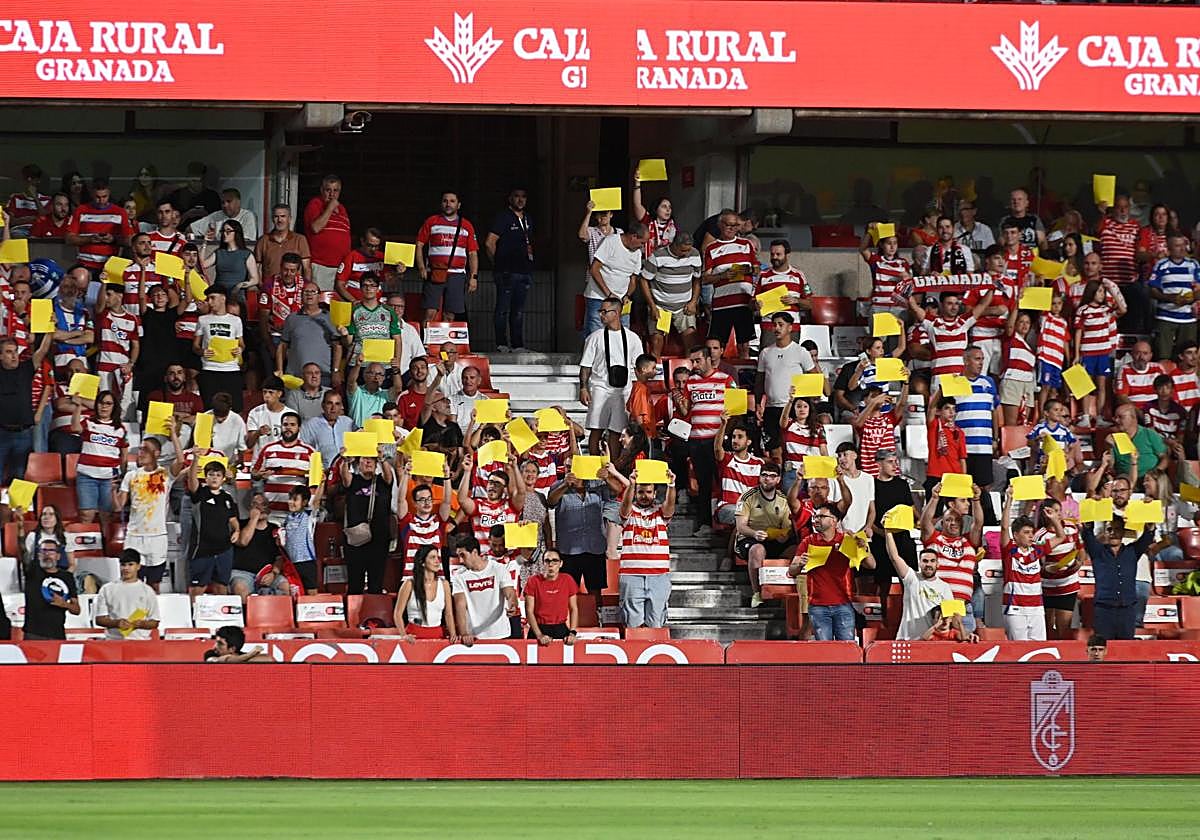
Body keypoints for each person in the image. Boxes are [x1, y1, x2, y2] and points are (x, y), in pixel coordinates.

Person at [793, 503, 873, 641]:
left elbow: (871, 565)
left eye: (821, 516)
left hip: (843, 605)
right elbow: (792, 570)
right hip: (817, 607)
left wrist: (863, 547)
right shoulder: (808, 541)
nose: (816, 520)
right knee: (826, 652)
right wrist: (799, 564)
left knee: (847, 649)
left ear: (834, 520)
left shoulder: (846, 540)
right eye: (815, 516)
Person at [681, 344, 736, 538]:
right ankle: (704, 523)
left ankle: (725, 524)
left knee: (723, 482)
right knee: (703, 484)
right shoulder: (690, 382)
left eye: (698, 360)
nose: (694, 364)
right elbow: (687, 411)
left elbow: (737, 408)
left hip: (717, 440)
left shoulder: (726, 380)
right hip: (696, 440)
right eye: (692, 361)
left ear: (708, 359)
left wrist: (726, 433)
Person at [579, 296, 644, 457]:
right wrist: (583, 388)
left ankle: (613, 468)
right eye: (600, 311)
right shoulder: (594, 337)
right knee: (596, 429)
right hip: (600, 387)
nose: (601, 314)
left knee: (616, 430)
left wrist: (637, 390)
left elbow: (639, 366)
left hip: (623, 390)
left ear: (616, 313)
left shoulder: (632, 338)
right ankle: (593, 470)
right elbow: (586, 365)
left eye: (604, 311)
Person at [617, 463, 676, 629]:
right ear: (635, 493)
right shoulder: (629, 512)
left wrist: (671, 485)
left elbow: (670, 506)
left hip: (659, 576)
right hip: (631, 576)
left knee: (656, 625)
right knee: (633, 625)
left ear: (655, 493)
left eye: (648, 492)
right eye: (640, 492)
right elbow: (625, 508)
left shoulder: (660, 512)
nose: (644, 496)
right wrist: (631, 485)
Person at [756, 312, 821, 457]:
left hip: (792, 408)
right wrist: (757, 403)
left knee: (793, 449)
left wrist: (805, 399)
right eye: (774, 325)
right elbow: (760, 380)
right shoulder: (765, 353)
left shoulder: (801, 351)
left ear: (790, 328)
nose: (777, 328)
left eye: (781, 325)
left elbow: (815, 377)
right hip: (771, 408)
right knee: (774, 451)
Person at [114, 437, 175, 592]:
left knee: (154, 584)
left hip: (157, 537)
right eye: (139, 449)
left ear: (157, 453)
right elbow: (118, 506)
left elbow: (180, 461)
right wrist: (111, 490)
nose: (140, 453)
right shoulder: (131, 476)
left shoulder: (165, 474)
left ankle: (152, 615)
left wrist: (173, 435)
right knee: (131, 583)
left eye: (145, 449)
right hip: (134, 536)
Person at [1081, 516, 1155, 641]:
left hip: (1127, 609)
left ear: (1123, 532)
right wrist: (1088, 525)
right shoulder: (1097, 551)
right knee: (1105, 648)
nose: (1113, 533)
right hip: (1104, 609)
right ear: (1105, 531)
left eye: (1117, 529)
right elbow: (1088, 535)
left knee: (1125, 648)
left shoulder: (1132, 551)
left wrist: (1150, 527)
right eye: (1109, 529)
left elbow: (1146, 538)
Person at [416, 190, 479, 328]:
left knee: (450, 314)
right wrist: (421, 267)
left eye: (452, 201)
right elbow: (419, 245)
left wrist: (473, 277)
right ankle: (425, 345)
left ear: (459, 205)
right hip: (434, 272)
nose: (448, 204)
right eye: (445, 201)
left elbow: (473, 253)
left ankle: (445, 345)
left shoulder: (467, 225)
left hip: (457, 275)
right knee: (430, 313)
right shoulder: (432, 221)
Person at [700, 209, 759, 357]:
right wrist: (723, 276)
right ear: (720, 225)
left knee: (744, 345)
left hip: (743, 302)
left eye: (736, 225)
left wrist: (748, 269)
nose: (733, 228)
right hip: (721, 304)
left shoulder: (747, 244)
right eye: (729, 225)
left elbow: (757, 269)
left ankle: (744, 376)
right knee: (717, 345)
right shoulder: (711, 248)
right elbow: (705, 278)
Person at [735, 462, 794, 608]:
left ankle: (786, 593)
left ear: (778, 479)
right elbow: (740, 526)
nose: (767, 479)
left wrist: (785, 535)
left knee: (796, 550)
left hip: (773, 538)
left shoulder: (783, 499)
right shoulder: (748, 496)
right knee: (758, 550)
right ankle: (757, 593)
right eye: (764, 475)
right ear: (760, 477)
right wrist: (754, 533)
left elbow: (787, 526)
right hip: (750, 538)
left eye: (772, 476)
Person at [882, 532, 958, 642]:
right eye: (925, 561)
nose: (928, 564)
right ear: (920, 563)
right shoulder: (911, 578)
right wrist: (888, 532)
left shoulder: (945, 587)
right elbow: (894, 557)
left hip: (930, 641)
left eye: (932, 561)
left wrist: (966, 635)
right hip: (906, 639)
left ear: (937, 564)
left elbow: (951, 618)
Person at [339, 445, 395, 594]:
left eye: (371, 459)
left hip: (379, 540)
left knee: (376, 583)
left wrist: (382, 458)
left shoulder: (382, 482)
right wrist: (345, 460)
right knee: (355, 584)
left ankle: (373, 615)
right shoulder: (354, 480)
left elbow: (389, 477)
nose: (368, 462)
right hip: (356, 540)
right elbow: (345, 477)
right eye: (364, 459)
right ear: (358, 463)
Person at [486, 187, 535, 353]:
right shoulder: (503, 217)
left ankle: (517, 345)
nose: (520, 200)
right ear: (510, 198)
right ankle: (501, 344)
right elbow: (489, 242)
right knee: (503, 309)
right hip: (506, 271)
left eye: (523, 197)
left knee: (518, 310)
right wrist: (498, 263)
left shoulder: (528, 218)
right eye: (516, 196)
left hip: (524, 271)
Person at [547, 463, 608, 596]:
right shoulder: (558, 485)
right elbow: (551, 501)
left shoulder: (597, 485)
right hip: (568, 551)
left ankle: (596, 616)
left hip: (595, 548)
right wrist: (565, 485)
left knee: (595, 592)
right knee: (567, 593)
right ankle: (569, 617)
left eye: (574, 467)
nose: (571, 470)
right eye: (568, 467)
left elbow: (618, 491)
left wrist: (607, 477)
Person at [184, 458, 239, 599]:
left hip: (224, 549)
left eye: (218, 475)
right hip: (202, 549)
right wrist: (196, 459)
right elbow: (191, 479)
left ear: (223, 478)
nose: (214, 478)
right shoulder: (199, 493)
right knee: (198, 588)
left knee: (221, 586)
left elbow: (232, 519)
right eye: (211, 475)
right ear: (206, 477)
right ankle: (193, 617)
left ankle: (220, 619)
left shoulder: (227, 497)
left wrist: (237, 530)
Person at [70, 389, 127, 525]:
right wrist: (78, 407)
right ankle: (87, 545)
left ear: (114, 407)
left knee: (106, 516)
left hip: (109, 478)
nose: (104, 406)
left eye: (108, 403)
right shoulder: (89, 423)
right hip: (87, 476)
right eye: (101, 403)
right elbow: (75, 428)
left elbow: (124, 455)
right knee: (86, 514)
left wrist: (121, 476)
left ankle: (104, 545)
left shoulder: (120, 429)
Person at [640, 232, 701, 356]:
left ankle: (690, 372)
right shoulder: (657, 256)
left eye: (689, 250)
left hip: (684, 306)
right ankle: (655, 373)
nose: (686, 253)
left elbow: (697, 280)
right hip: (661, 306)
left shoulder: (694, 254)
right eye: (683, 250)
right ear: (675, 245)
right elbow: (643, 280)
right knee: (656, 341)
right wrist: (652, 306)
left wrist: (693, 301)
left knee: (691, 340)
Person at [999, 486, 1047, 641]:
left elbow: (1060, 537)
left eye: (1032, 533)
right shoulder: (1009, 550)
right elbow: (1004, 527)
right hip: (1015, 609)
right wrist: (1009, 500)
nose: (1031, 536)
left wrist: (1052, 519)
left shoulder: (1037, 551)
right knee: (1018, 651)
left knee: (1039, 651)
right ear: (1015, 536)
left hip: (1037, 609)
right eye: (1026, 533)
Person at [0, 335, 50, 482]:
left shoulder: (26, 369)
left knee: (19, 479)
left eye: (15, 351)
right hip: (1, 434)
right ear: (0, 356)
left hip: (24, 435)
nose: (14, 356)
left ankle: (16, 506)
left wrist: (50, 328)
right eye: (9, 352)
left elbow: (43, 350)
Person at [451, 534, 517, 645]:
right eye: (458, 556)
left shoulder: (498, 568)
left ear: (475, 552)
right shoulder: (459, 576)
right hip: (474, 637)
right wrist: (464, 633)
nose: (461, 560)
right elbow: (460, 606)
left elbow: (509, 593)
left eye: (463, 555)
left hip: (500, 633)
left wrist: (513, 605)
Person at [253, 411, 316, 525]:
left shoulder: (310, 452)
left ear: (299, 428)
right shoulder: (268, 449)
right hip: (270, 512)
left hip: (297, 515)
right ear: (281, 426)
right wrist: (259, 475)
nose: (288, 428)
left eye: (293, 425)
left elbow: (316, 482)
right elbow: (254, 474)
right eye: (285, 424)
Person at [278, 283, 346, 385]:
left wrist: (336, 371)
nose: (309, 294)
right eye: (306, 292)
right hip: (295, 376)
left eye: (313, 292)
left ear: (319, 296)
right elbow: (283, 346)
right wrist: (280, 370)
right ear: (301, 296)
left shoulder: (331, 318)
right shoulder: (292, 318)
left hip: (323, 376)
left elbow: (337, 346)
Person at [396, 460, 453, 578]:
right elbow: (401, 500)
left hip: (436, 578)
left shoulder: (438, 521)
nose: (427, 503)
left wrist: (446, 477)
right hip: (412, 579)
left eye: (429, 499)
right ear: (415, 504)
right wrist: (406, 474)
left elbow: (447, 501)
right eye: (422, 500)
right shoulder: (408, 522)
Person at [1147, 233, 1200, 361]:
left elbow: (1199, 289)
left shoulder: (1194, 265)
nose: (1182, 249)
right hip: (1166, 316)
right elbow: (1152, 291)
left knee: (1188, 358)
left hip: (1188, 318)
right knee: (1163, 356)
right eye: (1177, 246)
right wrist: (1169, 298)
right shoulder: (1161, 265)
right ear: (1169, 248)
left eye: (1183, 245)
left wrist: (1192, 297)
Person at [66, 177, 134, 274]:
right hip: (85, 265)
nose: (101, 200)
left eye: (104, 197)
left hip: (111, 265)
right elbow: (69, 239)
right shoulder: (80, 210)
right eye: (97, 197)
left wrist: (113, 239)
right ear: (92, 194)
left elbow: (130, 240)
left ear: (109, 193)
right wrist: (90, 239)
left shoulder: (120, 212)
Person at [194, 287, 245, 412]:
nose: (210, 302)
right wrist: (202, 352)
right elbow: (195, 346)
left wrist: (240, 350)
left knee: (234, 408)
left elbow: (242, 344)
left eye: (213, 298)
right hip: (210, 369)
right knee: (209, 409)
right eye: (208, 299)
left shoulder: (236, 320)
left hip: (231, 369)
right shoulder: (203, 320)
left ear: (223, 298)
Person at [230, 493, 288, 599]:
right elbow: (243, 542)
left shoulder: (274, 529)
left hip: (267, 573)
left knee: (284, 586)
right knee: (240, 588)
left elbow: (279, 557)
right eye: (256, 504)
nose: (260, 508)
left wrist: (273, 574)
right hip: (242, 573)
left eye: (263, 504)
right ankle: (246, 615)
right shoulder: (240, 525)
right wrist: (253, 519)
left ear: (269, 509)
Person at [94, 549, 161, 641]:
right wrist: (117, 623)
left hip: (140, 642)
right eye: (123, 565)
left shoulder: (147, 591)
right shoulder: (107, 589)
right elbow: (99, 619)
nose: (126, 568)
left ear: (138, 566)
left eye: (130, 564)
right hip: (114, 641)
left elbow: (155, 622)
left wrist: (140, 624)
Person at [395, 545, 457, 640]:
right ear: (422, 562)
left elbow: (448, 614)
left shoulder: (444, 584)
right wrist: (404, 635)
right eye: (433, 557)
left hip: (437, 636)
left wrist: (453, 634)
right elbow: (397, 614)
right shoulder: (409, 584)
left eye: (438, 557)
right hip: (413, 637)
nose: (437, 561)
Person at [22, 539, 80, 640]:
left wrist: (64, 604)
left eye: (51, 551)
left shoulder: (67, 577)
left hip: (58, 634)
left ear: (58, 556)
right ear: (39, 555)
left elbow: (76, 610)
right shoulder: (32, 572)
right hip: (33, 634)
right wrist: (21, 531)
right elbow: (23, 551)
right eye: (43, 551)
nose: (47, 554)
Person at [304, 175, 351, 291]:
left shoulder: (342, 209)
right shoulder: (315, 204)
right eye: (328, 190)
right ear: (322, 190)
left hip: (340, 267)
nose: (332, 194)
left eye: (335, 190)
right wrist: (330, 208)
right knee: (321, 303)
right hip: (321, 266)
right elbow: (315, 227)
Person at [525, 549, 579, 644]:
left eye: (555, 561)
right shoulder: (533, 581)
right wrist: (539, 635)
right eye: (547, 561)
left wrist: (572, 632)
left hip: (561, 629)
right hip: (538, 628)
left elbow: (573, 608)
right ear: (542, 563)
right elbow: (529, 611)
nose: (551, 564)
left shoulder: (568, 579)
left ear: (561, 563)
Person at [279, 484, 323, 595]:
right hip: (291, 563)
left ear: (304, 502)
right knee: (294, 594)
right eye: (290, 499)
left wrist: (322, 483)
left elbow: (316, 501)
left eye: (295, 499)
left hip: (306, 561)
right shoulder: (287, 519)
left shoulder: (308, 516)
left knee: (311, 594)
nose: (290, 502)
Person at [201, 218, 259, 302]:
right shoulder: (219, 252)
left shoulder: (246, 254)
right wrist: (204, 243)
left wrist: (241, 285)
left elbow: (255, 279)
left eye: (228, 231)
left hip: (236, 292)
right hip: (219, 292)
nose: (225, 234)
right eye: (223, 231)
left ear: (236, 233)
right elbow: (202, 265)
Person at [255, 203, 311, 282]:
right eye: (276, 217)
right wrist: (262, 287)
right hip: (270, 289)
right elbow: (258, 268)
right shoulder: (263, 240)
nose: (279, 220)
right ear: (272, 219)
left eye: (283, 216)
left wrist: (306, 287)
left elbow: (306, 268)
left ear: (290, 219)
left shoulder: (300, 239)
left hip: (294, 289)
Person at [300, 391, 354, 466]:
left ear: (341, 406)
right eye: (329, 403)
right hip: (323, 473)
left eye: (337, 404)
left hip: (347, 471)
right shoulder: (310, 425)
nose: (333, 408)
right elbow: (303, 450)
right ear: (323, 405)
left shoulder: (348, 422)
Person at [333, 228, 384, 302]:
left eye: (376, 246)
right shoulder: (351, 257)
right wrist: (353, 301)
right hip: (356, 302)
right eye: (370, 245)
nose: (373, 249)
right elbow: (339, 285)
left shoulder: (382, 257)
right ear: (362, 241)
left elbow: (391, 281)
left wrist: (398, 272)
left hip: (377, 303)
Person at [206, 625, 272, 663]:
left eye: (220, 644)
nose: (214, 647)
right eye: (216, 642)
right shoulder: (210, 654)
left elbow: (269, 659)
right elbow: (218, 660)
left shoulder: (243, 656)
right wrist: (250, 655)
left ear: (232, 649)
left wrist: (242, 658)